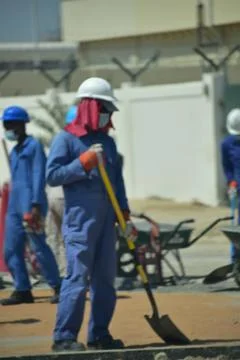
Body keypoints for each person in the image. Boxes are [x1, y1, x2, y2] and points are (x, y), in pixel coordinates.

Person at [46, 77, 136, 352]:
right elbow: (52, 175)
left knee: (105, 281)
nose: (109, 114)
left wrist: (125, 216)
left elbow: (117, 183)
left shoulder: (107, 143)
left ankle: (99, 334)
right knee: (76, 278)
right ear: (91, 107)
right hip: (80, 222)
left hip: (107, 222)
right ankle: (63, 337)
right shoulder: (66, 139)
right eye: (106, 108)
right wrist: (82, 163)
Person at [0, 106, 62, 305]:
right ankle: (23, 289)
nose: (7, 128)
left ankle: (58, 286)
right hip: (14, 207)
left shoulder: (33, 146)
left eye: (10, 124)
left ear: (21, 124)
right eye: (5, 124)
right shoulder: (15, 150)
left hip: (31, 205)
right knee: (10, 249)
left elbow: (38, 175)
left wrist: (35, 205)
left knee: (38, 247)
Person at [221, 108, 240, 264]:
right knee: (237, 227)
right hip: (238, 190)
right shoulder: (226, 144)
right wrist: (230, 180)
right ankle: (235, 260)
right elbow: (226, 166)